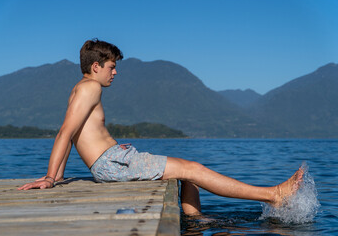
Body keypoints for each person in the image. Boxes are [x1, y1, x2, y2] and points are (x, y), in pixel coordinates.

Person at [18, 39, 303, 215]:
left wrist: (54, 176)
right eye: (111, 66)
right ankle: (273, 195)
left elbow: (70, 133)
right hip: (113, 163)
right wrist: (50, 177)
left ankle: (195, 224)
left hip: (116, 160)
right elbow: (65, 133)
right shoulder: (90, 88)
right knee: (193, 169)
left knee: (186, 174)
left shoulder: (79, 88)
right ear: (95, 67)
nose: (115, 72)